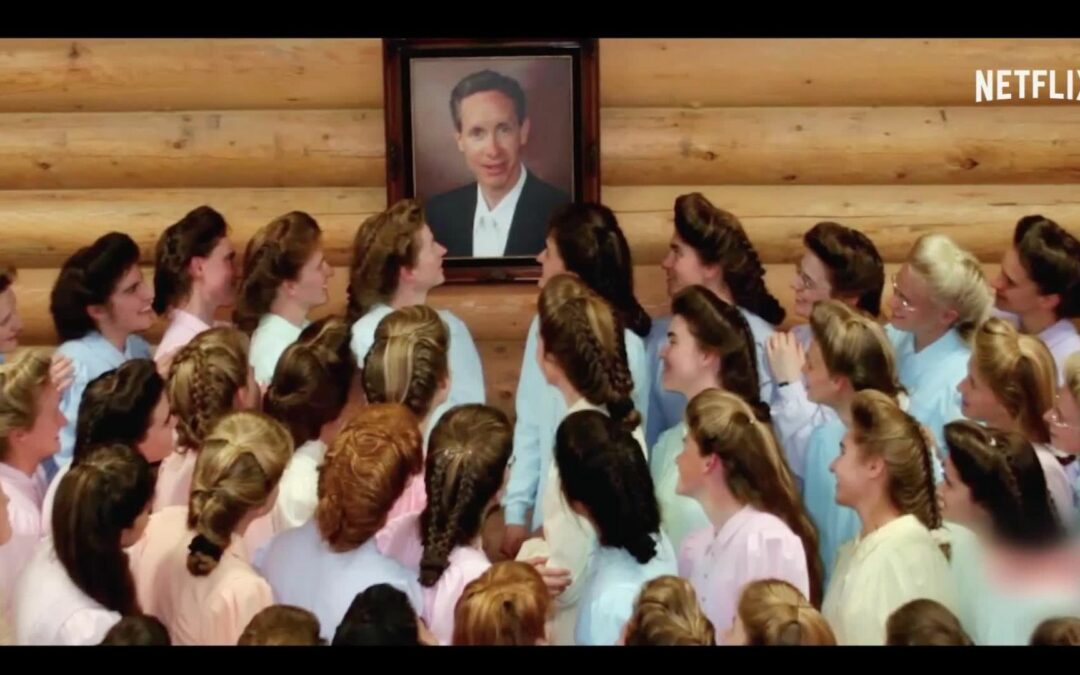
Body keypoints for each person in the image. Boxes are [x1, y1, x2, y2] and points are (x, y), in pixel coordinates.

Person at [424, 69, 571, 258]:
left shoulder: (563, 215)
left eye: (503, 130)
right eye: (477, 133)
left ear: (523, 132)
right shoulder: (437, 215)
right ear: (459, 140)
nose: (493, 150)